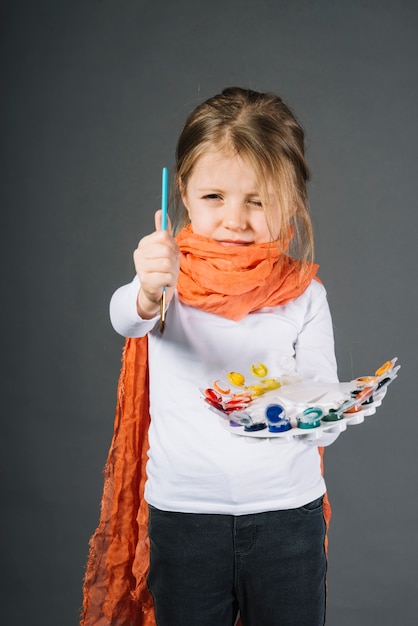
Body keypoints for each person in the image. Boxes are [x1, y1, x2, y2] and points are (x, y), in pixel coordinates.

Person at [81, 87, 339, 626]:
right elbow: (125, 318)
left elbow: (323, 414)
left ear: (290, 200)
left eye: (259, 201)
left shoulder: (302, 291)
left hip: (287, 516)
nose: (235, 220)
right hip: (183, 517)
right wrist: (148, 290)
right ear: (183, 193)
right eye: (214, 198)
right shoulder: (167, 276)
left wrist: (316, 412)